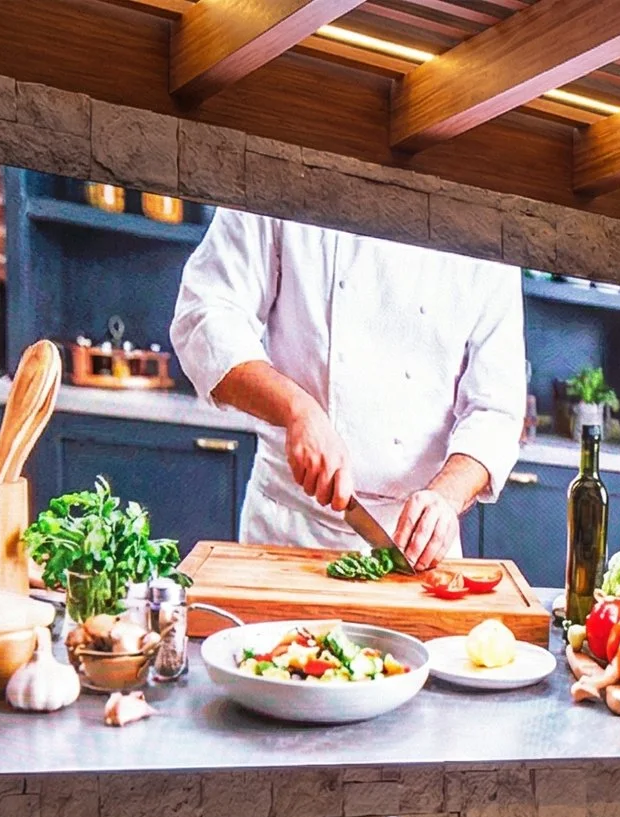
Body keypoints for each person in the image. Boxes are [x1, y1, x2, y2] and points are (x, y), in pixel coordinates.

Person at [170, 210, 526, 567]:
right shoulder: (286, 183)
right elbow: (204, 315)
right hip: (290, 530)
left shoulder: (486, 219)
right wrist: (297, 410)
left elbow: (497, 409)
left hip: (417, 544)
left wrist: (447, 497)